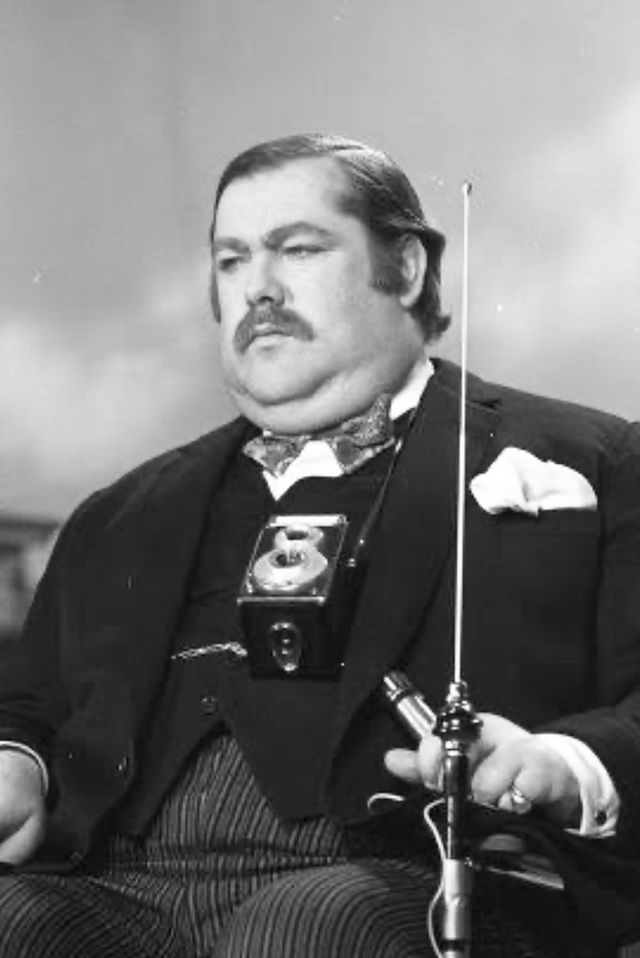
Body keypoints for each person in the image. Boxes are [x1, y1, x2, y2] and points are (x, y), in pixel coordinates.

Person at [0, 133, 639, 958]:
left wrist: (564, 762)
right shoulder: (119, 511)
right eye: (231, 260)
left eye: (297, 249)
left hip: (412, 874)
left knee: (308, 924)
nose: (257, 288)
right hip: (117, 882)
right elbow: (32, 708)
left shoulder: (598, 462)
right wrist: (18, 762)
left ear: (404, 268)